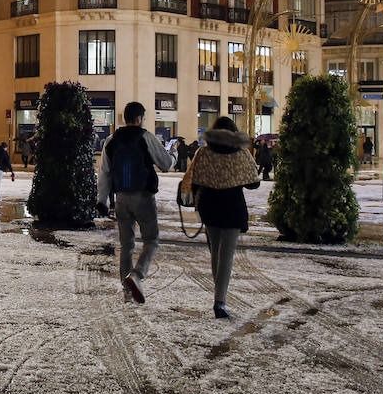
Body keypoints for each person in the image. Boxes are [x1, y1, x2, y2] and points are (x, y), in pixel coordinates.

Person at [97, 101, 175, 304]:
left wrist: (102, 200)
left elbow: (104, 173)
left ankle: (127, 291)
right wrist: (174, 156)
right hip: (143, 197)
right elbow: (165, 164)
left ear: (124, 118)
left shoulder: (111, 140)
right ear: (140, 118)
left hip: (120, 198)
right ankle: (137, 275)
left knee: (126, 245)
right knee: (151, 240)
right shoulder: (146, 137)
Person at [185, 117, 261, 319]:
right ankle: (220, 301)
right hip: (232, 206)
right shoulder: (241, 153)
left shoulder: (203, 153)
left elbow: (194, 179)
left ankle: (219, 296)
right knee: (226, 255)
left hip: (209, 206)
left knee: (215, 252)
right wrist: (233, 177)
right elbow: (254, 183)